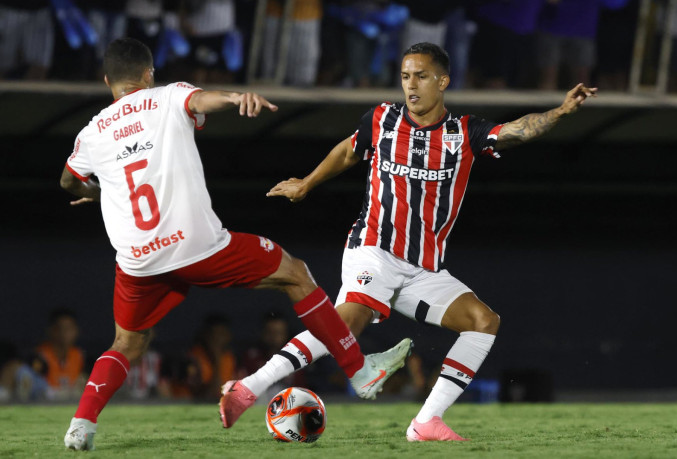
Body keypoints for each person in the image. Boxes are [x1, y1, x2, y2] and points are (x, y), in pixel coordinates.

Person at [220, 42, 597, 441]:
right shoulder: (382, 119)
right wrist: (307, 183)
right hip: (374, 250)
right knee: (347, 323)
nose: (411, 85)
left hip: (422, 268)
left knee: (483, 322)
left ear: (443, 81)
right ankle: (249, 389)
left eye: (420, 76)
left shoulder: (464, 133)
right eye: (405, 76)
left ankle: (425, 422)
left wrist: (559, 112)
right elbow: (349, 151)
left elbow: (517, 131)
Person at [58, 37, 412, 451]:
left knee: (126, 343)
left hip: (138, 259)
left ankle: (81, 423)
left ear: (107, 81)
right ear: (149, 74)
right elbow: (202, 101)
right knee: (295, 273)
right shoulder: (168, 96)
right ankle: (359, 370)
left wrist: (103, 191)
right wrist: (236, 97)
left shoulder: (92, 132)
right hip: (196, 246)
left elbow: (68, 181)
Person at [37, 308, 87, 400]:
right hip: (44, 403)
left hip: (70, 404)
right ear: (51, 331)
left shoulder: (79, 356)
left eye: (69, 328)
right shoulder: (40, 356)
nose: (65, 333)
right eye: (60, 328)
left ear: (76, 331)